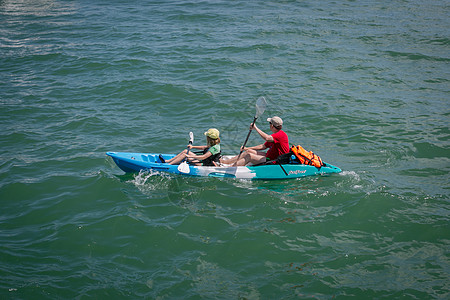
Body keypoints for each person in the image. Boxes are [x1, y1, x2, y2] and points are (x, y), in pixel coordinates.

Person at [220, 116, 289, 166]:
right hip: (270, 156)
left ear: (272, 126)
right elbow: (263, 146)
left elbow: (267, 138)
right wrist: (247, 148)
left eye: (269, 123)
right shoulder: (275, 136)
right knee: (248, 152)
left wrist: (255, 128)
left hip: (275, 161)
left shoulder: (280, 135)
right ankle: (225, 162)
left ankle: (230, 168)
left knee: (249, 156)